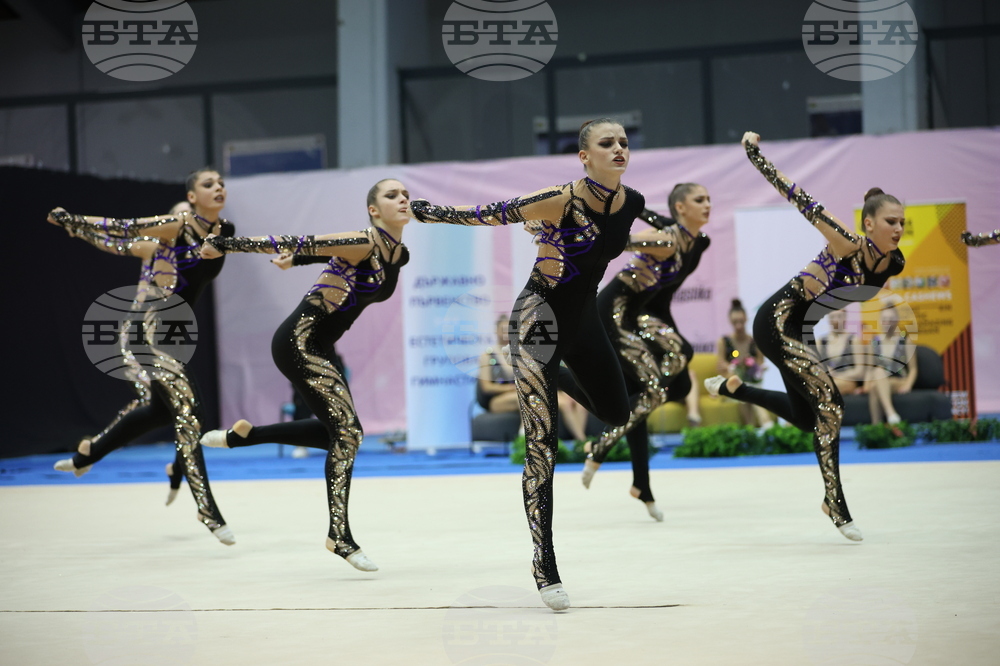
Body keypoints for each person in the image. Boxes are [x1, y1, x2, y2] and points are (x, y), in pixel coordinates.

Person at [409, 118, 645, 611]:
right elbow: (490, 213)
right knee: (543, 445)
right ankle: (545, 564)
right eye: (607, 143)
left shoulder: (634, 204)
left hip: (582, 320)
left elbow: (620, 243)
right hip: (538, 315)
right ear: (585, 156)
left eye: (623, 142)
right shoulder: (560, 198)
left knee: (619, 413)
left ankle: (543, 375)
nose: (619, 148)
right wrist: (431, 213)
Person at [198, 178, 412, 573]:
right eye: (391, 195)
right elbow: (298, 240)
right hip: (299, 341)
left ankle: (246, 437)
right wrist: (226, 245)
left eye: (405, 195)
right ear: (373, 210)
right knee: (349, 434)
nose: (402, 199)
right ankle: (339, 536)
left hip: (321, 346)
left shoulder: (398, 255)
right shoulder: (362, 240)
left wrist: (296, 262)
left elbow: (315, 255)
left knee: (343, 434)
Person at [704, 131, 905, 542]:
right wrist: (754, 154)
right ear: (869, 224)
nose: (899, 228)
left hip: (803, 329)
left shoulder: (894, 263)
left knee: (805, 417)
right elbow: (796, 195)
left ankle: (736, 389)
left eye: (902, 222)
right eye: (890, 222)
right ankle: (835, 501)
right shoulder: (845, 243)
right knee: (832, 404)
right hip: (777, 321)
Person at [47, 169, 236, 546]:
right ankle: (207, 509)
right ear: (189, 199)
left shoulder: (222, 233)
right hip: (145, 333)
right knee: (188, 410)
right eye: (207, 185)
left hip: (171, 335)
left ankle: (88, 457)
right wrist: (75, 222)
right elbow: (121, 231)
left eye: (220, 183)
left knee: (161, 412)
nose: (218, 188)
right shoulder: (163, 237)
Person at [580, 183, 713, 522]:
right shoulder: (667, 240)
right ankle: (601, 445)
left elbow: (662, 297)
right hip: (614, 316)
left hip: (638, 316)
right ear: (681, 208)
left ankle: (642, 484)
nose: (708, 204)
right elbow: (616, 242)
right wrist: (570, 227)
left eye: (709, 199)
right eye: (700, 200)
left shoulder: (693, 244)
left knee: (658, 380)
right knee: (652, 390)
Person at [477, 314, 589, 442]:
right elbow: (486, 387)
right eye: (503, 330)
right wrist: (511, 388)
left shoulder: (521, 353)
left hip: (523, 391)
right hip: (499, 398)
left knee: (563, 400)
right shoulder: (487, 355)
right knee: (525, 396)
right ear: (496, 331)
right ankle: (524, 436)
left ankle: (580, 440)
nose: (506, 333)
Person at [716, 299, 774, 429]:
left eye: (741, 322)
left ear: (746, 320)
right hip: (732, 382)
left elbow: (760, 362)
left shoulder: (754, 341)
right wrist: (731, 367)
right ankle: (763, 423)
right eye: (735, 322)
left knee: (748, 389)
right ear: (730, 322)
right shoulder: (724, 341)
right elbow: (720, 365)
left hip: (750, 382)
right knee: (742, 388)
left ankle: (755, 427)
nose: (738, 326)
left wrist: (753, 367)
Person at [865, 303, 916, 425]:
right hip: (880, 379)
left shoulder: (905, 340)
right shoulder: (874, 342)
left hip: (899, 380)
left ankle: (878, 425)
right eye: (885, 319)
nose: (887, 322)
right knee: (876, 377)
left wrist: (908, 385)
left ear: (896, 320)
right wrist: (865, 385)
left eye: (891, 319)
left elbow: (913, 369)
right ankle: (890, 415)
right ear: (880, 321)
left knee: (876, 380)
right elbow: (868, 368)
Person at [815, 308, 866, 397]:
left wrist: (836, 375)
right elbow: (816, 367)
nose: (836, 320)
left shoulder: (854, 340)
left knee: (830, 387)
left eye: (839, 316)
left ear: (845, 318)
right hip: (826, 381)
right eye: (832, 317)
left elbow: (860, 371)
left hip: (848, 381)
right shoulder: (821, 341)